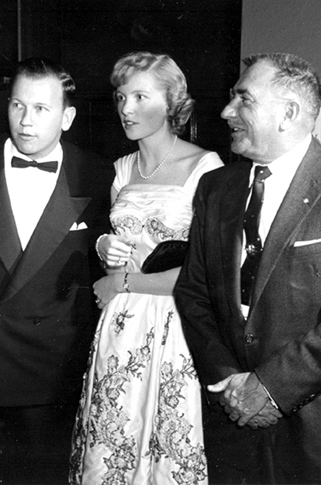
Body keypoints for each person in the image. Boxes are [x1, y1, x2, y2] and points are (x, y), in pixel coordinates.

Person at [174, 52, 321, 484]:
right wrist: (229, 381)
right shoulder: (215, 187)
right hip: (233, 423)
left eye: (244, 99)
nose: (227, 112)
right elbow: (194, 293)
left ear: (288, 113)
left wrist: (270, 388)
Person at [0, 57, 112, 484]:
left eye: (41, 109)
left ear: (67, 117)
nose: (25, 121)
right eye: (17, 105)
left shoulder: (95, 173)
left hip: (51, 367)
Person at [69, 51, 222, 484]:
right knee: (113, 440)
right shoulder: (121, 169)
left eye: (140, 96)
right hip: (120, 324)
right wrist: (103, 246)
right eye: (121, 97)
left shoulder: (205, 167)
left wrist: (123, 282)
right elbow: (106, 248)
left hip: (176, 324)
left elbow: (205, 273)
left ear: (172, 101)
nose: (126, 108)